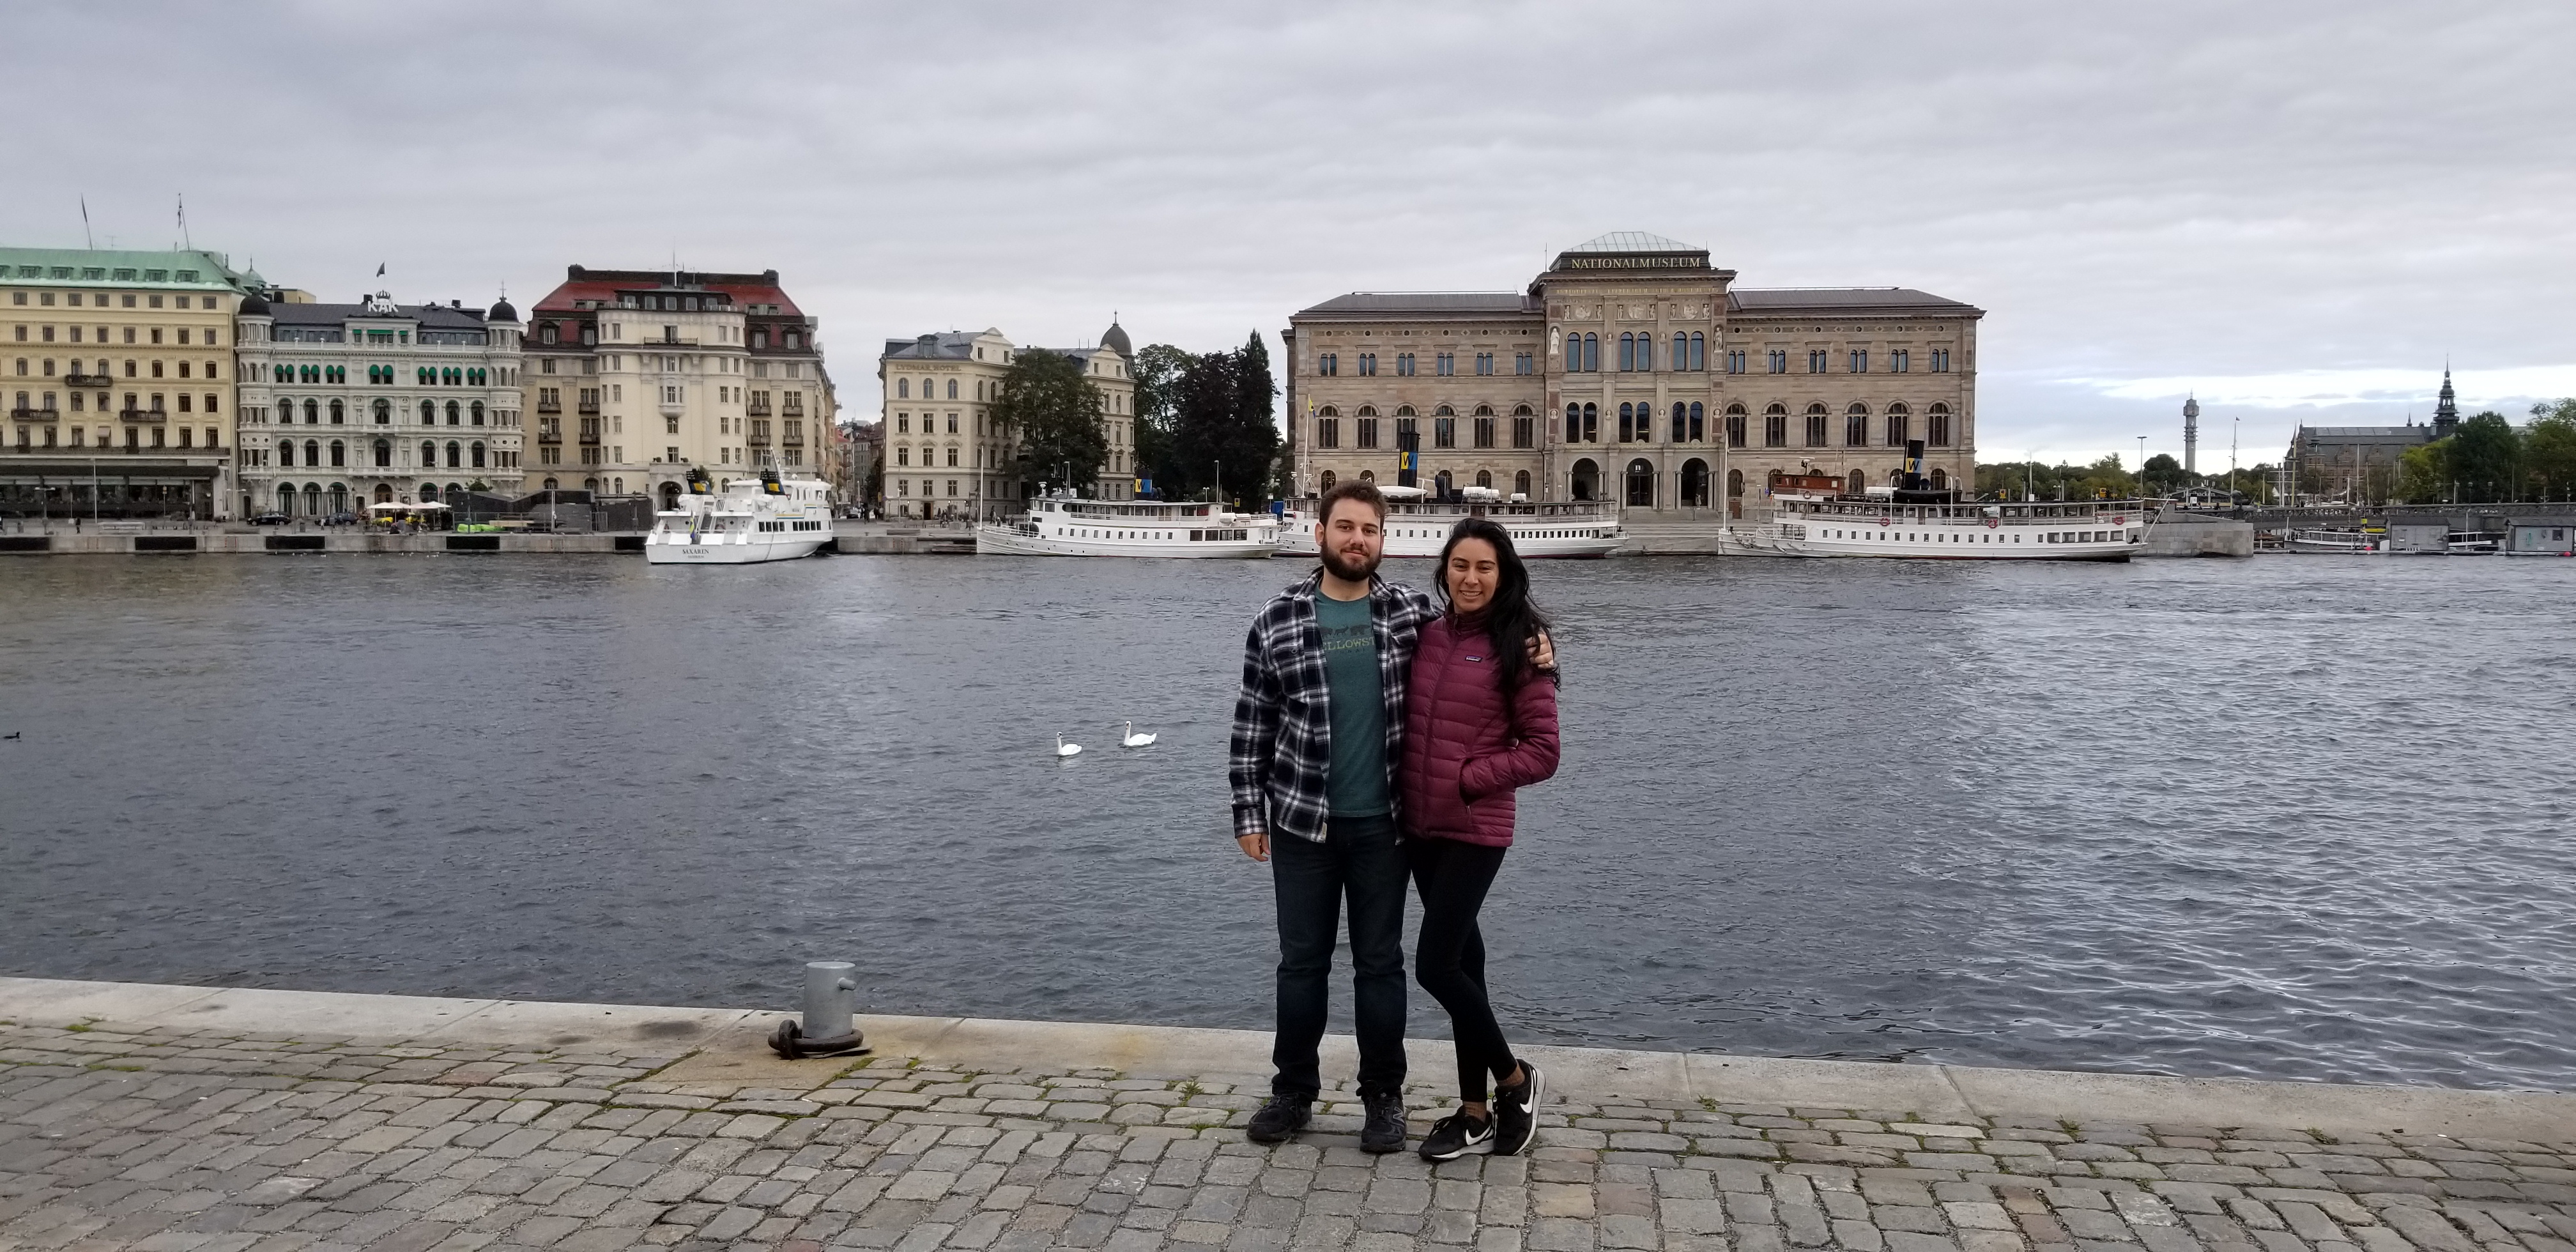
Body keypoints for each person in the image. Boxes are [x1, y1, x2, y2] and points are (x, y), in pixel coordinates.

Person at [1229, 478, 1433, 1154]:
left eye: (1369, 530)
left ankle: (1383, 1097)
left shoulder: (1411, 614)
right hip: (1300, 820)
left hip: (1386, 823)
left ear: (1384, 540)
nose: (1357, 540)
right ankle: (1293, 1090)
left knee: (1380, 965)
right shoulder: (1277, 617)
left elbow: (1482, 649)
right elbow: (1252, 726)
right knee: (1301, 963)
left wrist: (1538, 653)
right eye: (1345, 528)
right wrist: (1246, 811)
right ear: (1320, 535)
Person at [1403, 517, 1560, 1161]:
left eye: (1485, 567)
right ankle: (1474, 1114)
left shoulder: (1520, 645)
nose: (1471, 578)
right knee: (1466, 966)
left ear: (1504, 574)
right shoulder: (1428, 634)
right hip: (1420, 827)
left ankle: (1516, 1081)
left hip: (1475, 827)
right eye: (1461, 566)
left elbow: (1545, 751)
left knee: (1434, 965)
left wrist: (1471, 778)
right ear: (1444, 571)